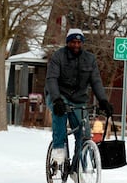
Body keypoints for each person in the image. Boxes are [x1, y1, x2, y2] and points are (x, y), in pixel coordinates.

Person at [45, 28, 113, 177]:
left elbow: (96, 81)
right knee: (60, 120)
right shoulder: (58, 56)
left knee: (84, 134)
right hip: (59, 96)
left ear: (82, 43)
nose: (76, 45)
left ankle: (78, 167)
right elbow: (52, 79)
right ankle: (58, 155)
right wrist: (56, 99)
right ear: (68, 42)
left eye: (79, 42)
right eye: (73, 42)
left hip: (78, 99)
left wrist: (103, 100)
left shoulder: (90, 59)